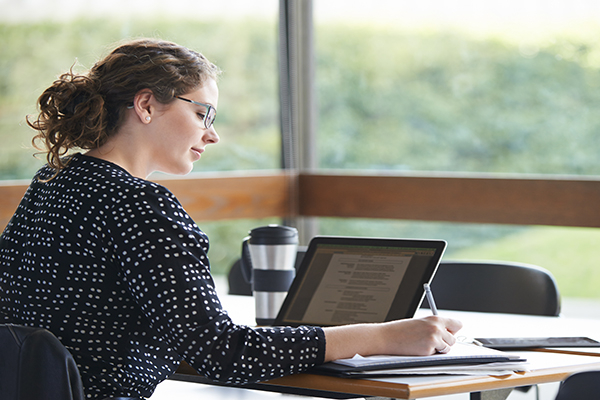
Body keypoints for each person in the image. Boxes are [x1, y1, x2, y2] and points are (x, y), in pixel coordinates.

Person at [0, 38, 462, 399]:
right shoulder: (141, 206)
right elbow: (225, 354)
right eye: (203, 112)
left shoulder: (51, 185)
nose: (212, 133)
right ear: (145, 106)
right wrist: (383, 337)